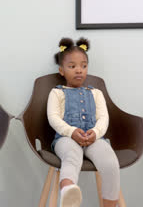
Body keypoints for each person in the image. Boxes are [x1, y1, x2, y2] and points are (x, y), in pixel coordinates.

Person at [47, 37, 120, 207]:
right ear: (61, 70)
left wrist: (95, 133)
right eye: (72, 66)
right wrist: (71, 132)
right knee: (72, 156)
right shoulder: (56, 93)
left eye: (83, 66)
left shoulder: (96, 93)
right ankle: (68, 192)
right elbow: (53, 118)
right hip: (66, 139)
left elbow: (103, 118)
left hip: (93, 138)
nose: (79, 70)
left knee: (109, 161)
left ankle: (109, 204)